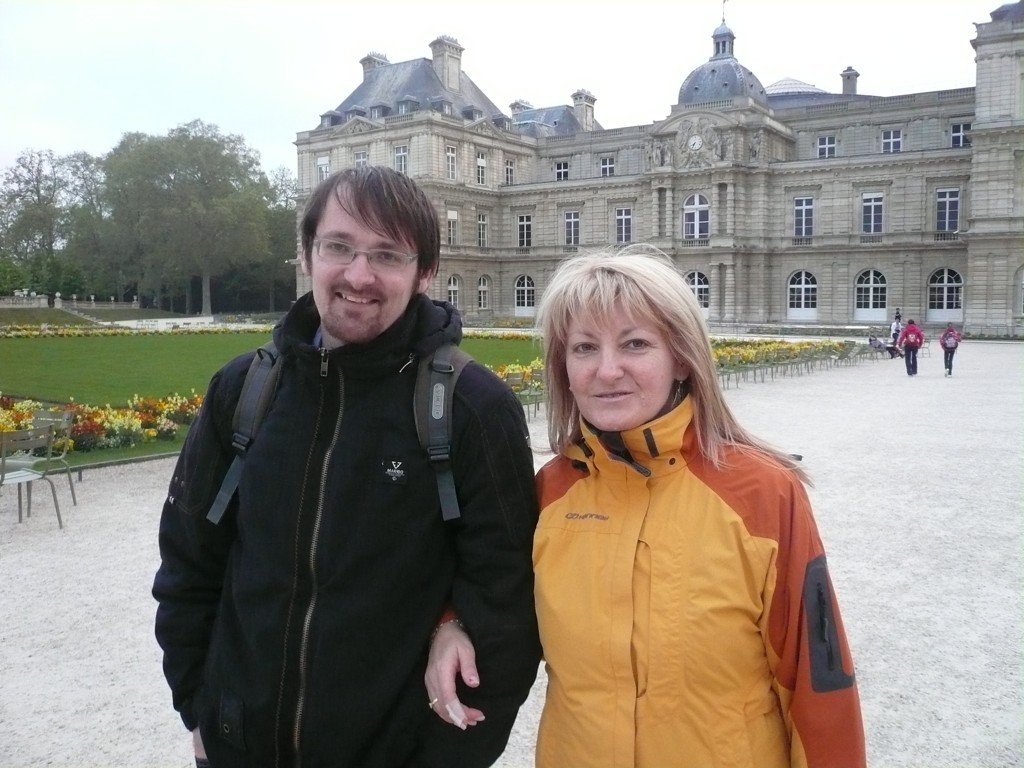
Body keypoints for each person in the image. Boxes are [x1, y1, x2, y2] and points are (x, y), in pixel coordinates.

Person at [153, 166, 541, 768]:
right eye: (339, 247)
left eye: (387, 255)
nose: (359, 276)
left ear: (425, 273)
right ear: (307, 254)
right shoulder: (243, 389)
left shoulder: (471, 407)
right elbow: (189, 562)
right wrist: (200, 711)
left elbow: (505, 601)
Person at [426, 247, 866, 767]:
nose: (607, 370)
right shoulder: (550, 492)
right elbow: (494, 588)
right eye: (584, 348)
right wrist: (451, 624)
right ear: (564, 368)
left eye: (635, 344)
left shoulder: (763, 494)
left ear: (681, 357)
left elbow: (819, 684)